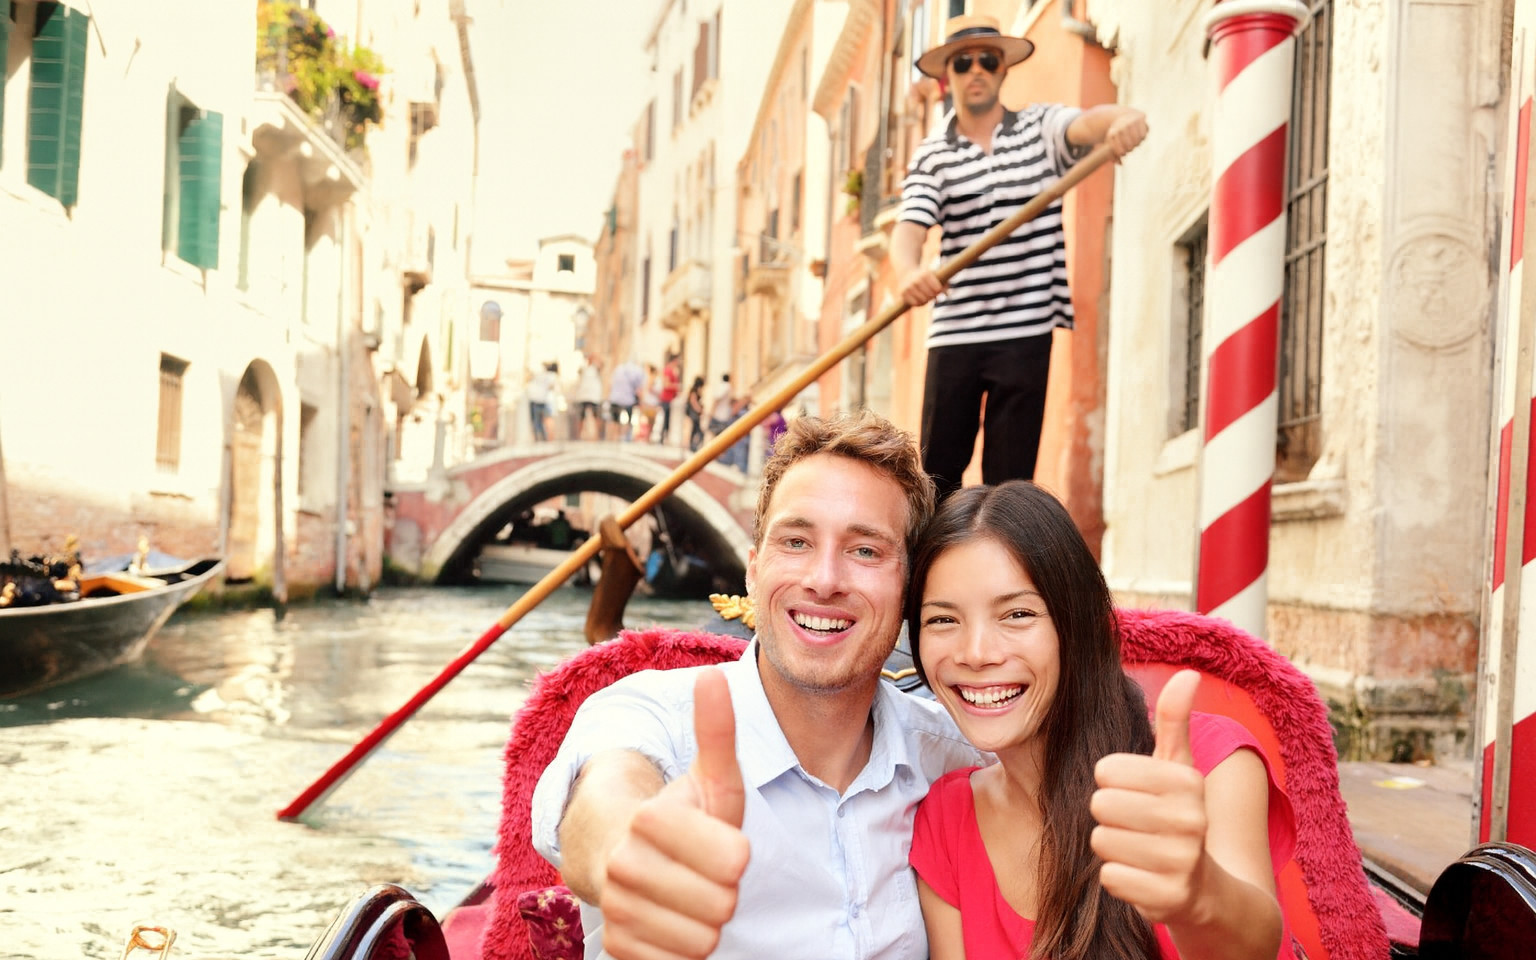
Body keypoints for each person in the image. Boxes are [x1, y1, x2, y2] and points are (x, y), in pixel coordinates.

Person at [530, 411, 984, 960]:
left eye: (865, 550)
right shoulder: (655, 715)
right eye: (795, 542)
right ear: (752, 570)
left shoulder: (956, 759)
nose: (823, 580)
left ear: (910, 588)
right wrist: (638, 853)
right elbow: (605, 799)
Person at [905, 480, 1295, 960]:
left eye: (1017, 614)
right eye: (942, 620)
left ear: (1077, 625)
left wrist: (1198, 896)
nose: (976, 653)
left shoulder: (1209, 761)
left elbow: (1255, 946)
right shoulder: (945, 816)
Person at [892, 15, 1149, 501]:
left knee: (1009, 487)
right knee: (936, 477)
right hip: (957, 332)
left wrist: (1120, 119)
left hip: (1025, 329)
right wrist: (907, 273)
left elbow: (1088, 123)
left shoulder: (1040, 128)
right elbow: (908, 232)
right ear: (948, 75)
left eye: (987, 60)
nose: (976, 70)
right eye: (963, 63)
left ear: (1003, 68)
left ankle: (997, 576)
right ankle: (929, 575)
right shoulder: (933, 155)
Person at [607, 360, 646, 441]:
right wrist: (641, 401)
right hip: (628, 399)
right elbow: (639, 389)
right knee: (628, 420)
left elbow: (610, 383)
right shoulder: (637, 371)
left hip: (615, 398)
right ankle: (622, 437)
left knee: (614, 420)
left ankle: (613, 438)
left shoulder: (618, 368)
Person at [526, 362, 558, 443]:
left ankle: (540, 439)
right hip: (544, 400)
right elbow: (552, 387)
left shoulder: (539, 374)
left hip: (536, 399)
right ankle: (547, 439)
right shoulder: (551, 376)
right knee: (546, 420)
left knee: (538, 422)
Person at [576, 356, 604, 440]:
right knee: (581, 416)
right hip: (583, 396)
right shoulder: (583, 368)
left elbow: (602, 365)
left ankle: (597, 436)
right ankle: (579, 436)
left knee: (596, 415)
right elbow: (579, 372)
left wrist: (595, 358)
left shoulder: (596, 368)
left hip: (594, 396)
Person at [656, 354, 682, 445]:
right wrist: (676, 386)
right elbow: (666, 384)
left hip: (671, 399)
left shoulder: (673, 371)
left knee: (668, 419)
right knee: (665, 419)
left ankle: (665, 438)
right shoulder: (667, 370)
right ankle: (662, 438)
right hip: (666, 398)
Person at [684, 375, 706, 452]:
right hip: (693, 413)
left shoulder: (697, 390)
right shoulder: (694, 391)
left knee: (696, 430)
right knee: (697, 430)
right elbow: (693, 402)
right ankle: (692, 446)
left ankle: (693, 445)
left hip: (695, 414)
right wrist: (700, 410)